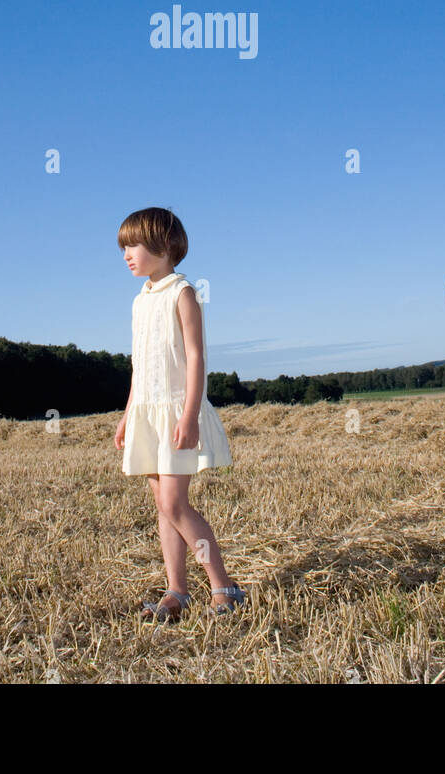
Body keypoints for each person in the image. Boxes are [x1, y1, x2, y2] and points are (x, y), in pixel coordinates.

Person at [114, 206, 247, 622]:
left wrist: (188, 416)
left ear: (163, 244)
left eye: (132, 245)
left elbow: (195, 358)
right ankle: (177, 591)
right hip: (147, 413)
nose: (126, 255)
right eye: (123, 248)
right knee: (163, 506)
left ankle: (224, 587)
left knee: (174, 503)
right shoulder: (140, 300)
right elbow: (141, 365)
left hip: (176, 410)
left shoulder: (182, 292)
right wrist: (127, 413)